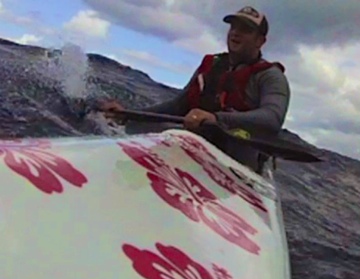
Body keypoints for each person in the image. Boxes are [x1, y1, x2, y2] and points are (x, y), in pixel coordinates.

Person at [99, 6, 290, 174]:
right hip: (196, 150)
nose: (235, 33)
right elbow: (178, 106)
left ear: (260, 41)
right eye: (233, 27)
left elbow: (272, 118)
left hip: (237, 166)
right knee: (139, 132)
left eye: (246, 30)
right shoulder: (212, 65)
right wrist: (128, 115)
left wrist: (218, 118)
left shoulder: (271, 77)